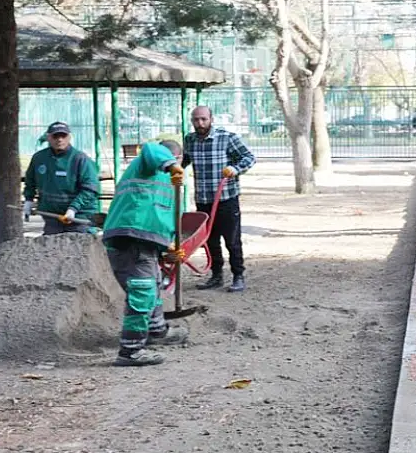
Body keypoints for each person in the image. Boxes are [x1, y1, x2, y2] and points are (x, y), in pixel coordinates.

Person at [101, 140, 189, 367]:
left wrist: (168, 250)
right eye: (177, 161)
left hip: (144, 240)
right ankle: (130, 351)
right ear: (175, 157)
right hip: (131, 235)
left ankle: (156, 330)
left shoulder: (170, 184)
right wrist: (170, 163)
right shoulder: (149, 164)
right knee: (142, 292)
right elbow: (151, 147)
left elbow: (161, 220)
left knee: (154, 285)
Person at [182, 105, 256, 293]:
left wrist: (235, 169)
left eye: (203, 119)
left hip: (226, 199)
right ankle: (216, 276)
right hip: (203, 199)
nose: (200, 123)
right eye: (196, 120)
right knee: (209, 240)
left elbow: (249, 157)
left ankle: (238, 275)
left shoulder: (227, 138)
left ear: (211, 119)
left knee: (232, 240)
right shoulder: (189, 140)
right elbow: (183, 161)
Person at [22, 121, 100, 235]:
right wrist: (28, 200)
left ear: (69, 137)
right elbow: (30, 181)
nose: (59, 139)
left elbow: (90, 189)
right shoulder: (39, 158)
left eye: (63, 136)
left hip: (79, 219)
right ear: (48, 137)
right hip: (52, 218)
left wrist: (73, 209)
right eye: (55, 136)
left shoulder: (80, 159)